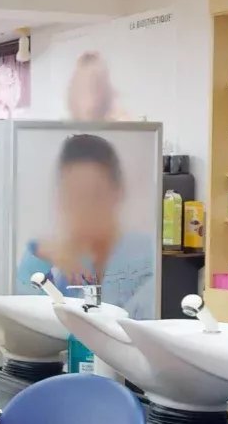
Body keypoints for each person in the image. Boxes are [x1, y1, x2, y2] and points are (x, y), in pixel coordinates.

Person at [15, 132, 154, 316]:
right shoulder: (58, 259)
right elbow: (19, 317)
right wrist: (39, 256)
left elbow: (125, 326)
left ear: (117, 193)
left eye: (95, 196)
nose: (83, 210)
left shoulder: (145, 258)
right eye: (73, 196)